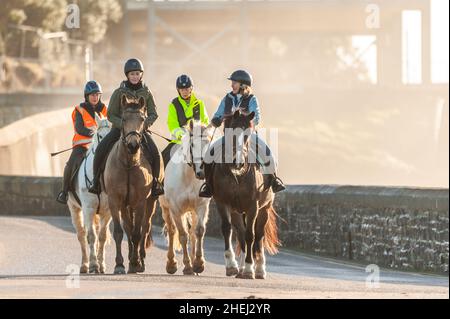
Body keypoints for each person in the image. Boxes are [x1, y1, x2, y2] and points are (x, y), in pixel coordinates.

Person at [198, 70, 286, 198]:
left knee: (268, 154)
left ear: (243, 85)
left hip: (247, 136)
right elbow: (218, 114)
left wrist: (240, 117)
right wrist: (215, 120)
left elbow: (256, 118)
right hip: (228, 136)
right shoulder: (227, 98)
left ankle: (274, 180)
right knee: (208, 157)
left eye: (234, 82)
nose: (231, 85)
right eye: (232, 82)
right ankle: (208, 186)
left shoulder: (252, 99)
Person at [88, 58, 164, 196]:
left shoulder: (147, 93)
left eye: (137, 73)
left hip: (139, 131)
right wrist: (124, 125)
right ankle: (96, 182)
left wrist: (143, 124)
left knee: (156, 153)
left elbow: (153, 114)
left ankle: (156, 184)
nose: (135, 76)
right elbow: (111, 114)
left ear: (141, 74)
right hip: (120, 130)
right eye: (132, 74)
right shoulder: (118, 93)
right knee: (100, 149)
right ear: (127, 75)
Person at [56, 80, 107, 204]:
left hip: (101, 145)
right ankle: (64, 191)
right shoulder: (79, 110)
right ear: (87, 96)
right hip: (83, 146)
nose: (95, 97)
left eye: (97, 95)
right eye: (92, 95)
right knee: (70, 164)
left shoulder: (105, 109)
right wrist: (93, 133)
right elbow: (79, 128)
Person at [161, 74, 209, 167]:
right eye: (182, 89)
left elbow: (205, 122)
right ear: (178, 90)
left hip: (198, 140)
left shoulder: (199, 104)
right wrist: (182, 136)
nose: (184, 92)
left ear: (191, 89)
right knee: (162, 160)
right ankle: (159, 181)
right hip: (179, 141)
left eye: (187, 89)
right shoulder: (173, 105)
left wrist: (200, 135)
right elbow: (172, 124)